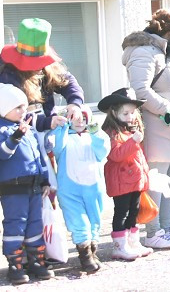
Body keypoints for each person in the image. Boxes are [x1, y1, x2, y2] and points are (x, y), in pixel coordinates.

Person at [122, 8, 170, 249]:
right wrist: (166, 109)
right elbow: (140, 90)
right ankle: (152, 232)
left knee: (169, 182)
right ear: (168, 30)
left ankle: (166, 227)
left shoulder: (166, 52)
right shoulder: (144, 52)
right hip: (158, 127)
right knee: (156, 182)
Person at [0, 84, 53, 284]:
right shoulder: (4, 130)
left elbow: (39, 157)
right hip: (12, 187)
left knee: (35, 223)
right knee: (15, 224)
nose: (24, 111)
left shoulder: (28, 129)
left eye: (25, 106)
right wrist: (15, 137)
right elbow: (3, 154)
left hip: (33, 185)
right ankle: (15, 263)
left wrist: (45, 179)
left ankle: (36, 260)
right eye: (18, 108)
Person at [47, 108, 109, 273]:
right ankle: (85, 255)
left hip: (93, 188)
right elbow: (56, 147)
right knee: (78, 220)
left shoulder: (94, 136)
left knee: (94, 219)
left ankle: (93, 250)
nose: (80, 121)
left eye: (83, 118)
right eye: (75, 118)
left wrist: (97, 132)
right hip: (70, 189)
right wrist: (61, 126)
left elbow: (102, 152)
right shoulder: (65, 137)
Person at [0, 18, 84, 133]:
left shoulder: (48, 68)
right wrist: (48, 122)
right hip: (19, 136)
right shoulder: (6, 76)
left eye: (40, 62)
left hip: (48, 134)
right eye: (34, 62)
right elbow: (11, 115)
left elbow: (68, 82)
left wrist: (75, 104)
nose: (39, 67)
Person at [99, 87, 152, 261]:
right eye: (125, 114)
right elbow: (116, 155)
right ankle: (120, 245)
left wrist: (145, 175)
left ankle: (133, 242)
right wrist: (133, 141)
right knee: (121, 212)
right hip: (121, 180)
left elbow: (139, 157)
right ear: (114, 113)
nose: (130, 117)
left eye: (132, 113)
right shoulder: (111, 132)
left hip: (135, 180)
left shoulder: (132, 129)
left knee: (134, 211)